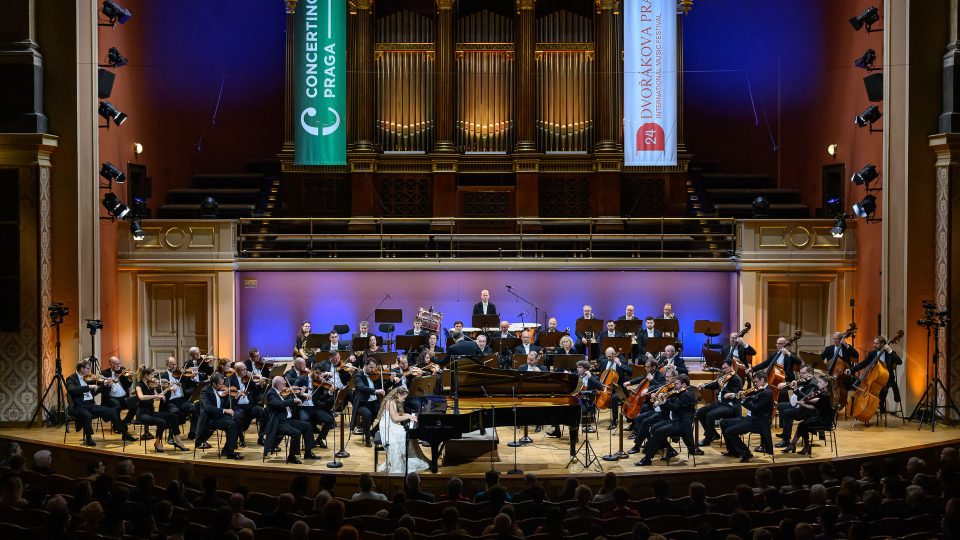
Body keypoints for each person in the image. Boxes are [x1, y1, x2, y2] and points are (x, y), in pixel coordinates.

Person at [65, 359, 136, 446]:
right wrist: (89, 387)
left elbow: (95, 392)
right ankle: (88, 438)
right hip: (79, 405)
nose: (89, 371)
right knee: (86, 415)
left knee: (113, 412)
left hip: (90, 405)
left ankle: (125, 434)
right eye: (88, 368)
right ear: (82, 368)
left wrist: (104, 385)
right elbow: (72, 389)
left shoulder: (86, 379)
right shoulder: (71, 378)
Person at [635, 373, 699, 465]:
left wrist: (664, 402)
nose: (674, 385)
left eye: (677, 383)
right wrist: (661, 400)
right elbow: (672, 401)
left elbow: (676, 407)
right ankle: (669, 450)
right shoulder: (681, 392)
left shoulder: (687, 394)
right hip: (675, 421)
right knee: (654, 428)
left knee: (658, 431)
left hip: (682, 425)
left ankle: (647, 458)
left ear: (684, 385)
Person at [262, 376, 319, 464]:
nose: (285, 384)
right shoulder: (271, 394)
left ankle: (308, 453)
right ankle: (291, 457)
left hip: (288, 421)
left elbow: (289, 403)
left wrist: (301, 396)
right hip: (279, 423)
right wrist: (293, 400)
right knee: (296, 433)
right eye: (283, 383)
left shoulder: (280, 393)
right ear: (278, 385)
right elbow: (280, 404)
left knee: (307, 425)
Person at [721, 371, 774, 462]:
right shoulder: (759, 389)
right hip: (750, 419)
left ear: (762, 380)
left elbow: (755, 408)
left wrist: (743, 400)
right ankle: (733, 451)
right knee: (723, 422)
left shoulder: (767, 392)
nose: (754, 384)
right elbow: (749, 395)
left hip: (758, 422)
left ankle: (746, 453)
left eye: (756, 381)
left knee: (729, 431)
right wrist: (734, 395)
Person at [376, 386, 430, 474]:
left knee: (410, 434)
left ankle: (410, 457)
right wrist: (408, 416)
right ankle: (407, 458)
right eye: (403, 398)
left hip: (391, 425)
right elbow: (395, 418)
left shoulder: (393, 401)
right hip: (387, 427)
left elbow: (396, 414)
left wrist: (408, 415)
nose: (404, 400)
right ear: (398, 395)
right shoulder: (390, 402)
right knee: (405, 434)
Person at [134, 367, 187, 453]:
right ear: (145, 375)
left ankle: (178, 441)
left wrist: (167, 389)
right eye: (151, 375)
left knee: (173, 416)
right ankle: (158, 442)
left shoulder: (151, 385)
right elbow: (141, 397)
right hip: (142, 414)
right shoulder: (138, 386)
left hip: (151, 412)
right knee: (162, 422)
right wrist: (156, 396)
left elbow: (159, 396)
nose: (153, 377)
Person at [848, 334, 903, 413]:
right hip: (873, 378)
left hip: (887, 379)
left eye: (876, 343)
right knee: (863, 386)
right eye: (874, 343)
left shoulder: (890, 353)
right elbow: (863, 364)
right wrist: (851, 370)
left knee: (883, 390)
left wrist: (890, 351)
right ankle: (866, 407)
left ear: (882, 344)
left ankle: (880, 405)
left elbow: (899, 362)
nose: (874, 345)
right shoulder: (872, 354)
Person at [695, 359, 743, 446]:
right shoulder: (724, 377)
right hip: (721, 404)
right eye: (723, 369)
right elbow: (714, 384)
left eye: (726, 368)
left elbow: (735, 394)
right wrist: (704, 385)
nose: (724, 370)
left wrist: (723, 387)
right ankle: (713, 434)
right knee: (700, 412)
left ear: (732, 367)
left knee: (710, 415)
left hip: (730, 406)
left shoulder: (736, 379)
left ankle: (707, 439)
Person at [782, 376, 834, 455]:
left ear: (826, 384)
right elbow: (815, 405)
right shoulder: (824, 394)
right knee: (803, 424)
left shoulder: (825, 396)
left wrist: (803, 404)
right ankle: (797, 445)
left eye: (820, 382)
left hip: (824, 420)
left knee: (803, 424)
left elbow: (814, 407)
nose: (818, 384)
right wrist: (805, 404)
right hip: (820, 417)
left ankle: (802, 445)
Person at [199, 373, 243, 460]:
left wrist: (236, 397)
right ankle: (230, 452)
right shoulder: (205, 391)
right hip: (210, 419)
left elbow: (226, 404)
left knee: (238, 421)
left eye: (223, 383)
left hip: (218, 416)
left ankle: (227, 449)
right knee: (231, 424)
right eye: (220, 384)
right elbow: (208, 408)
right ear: (214, 384)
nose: (223, 386)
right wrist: (225, 411)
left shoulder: (219, 391)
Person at [775, 365, 818, 447]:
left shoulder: (813, 384)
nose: (801, 375)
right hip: (797, 405)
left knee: (787, 413)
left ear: (811, 373)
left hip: (806, 409)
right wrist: (785, 383)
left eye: (803, 373)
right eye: (800, 373)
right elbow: (797, 382)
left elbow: (806, 398)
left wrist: (796, 390)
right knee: (780, 406)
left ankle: (786, 440)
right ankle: (785, 431)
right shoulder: (805, 380)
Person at [353, 358, 385, 446]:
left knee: (385, 415)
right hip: (362, 403)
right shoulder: (358, 375)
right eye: (371, 367)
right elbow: (362, 387)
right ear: (365, 365)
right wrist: (375, 391)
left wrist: (391, 380)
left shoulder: (373, 375)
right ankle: (367, 439)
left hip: (374, 402)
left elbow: (382, 386)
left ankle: (372, 432)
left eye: (374, 368)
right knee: (368, 415)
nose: (373, 370)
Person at [101, 356, 137, 430]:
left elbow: (128, 385)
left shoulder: (123, 372)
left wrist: (129, 379)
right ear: (110, 364)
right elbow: (102, 388)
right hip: (110, 398)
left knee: (135, 404)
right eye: (116, 364)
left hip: (124, 397)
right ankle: (117, 426)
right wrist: (108, 382)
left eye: (119, 363)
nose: (118, 366)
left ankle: (125, 422)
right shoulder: (104, 373)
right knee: (116, 406)